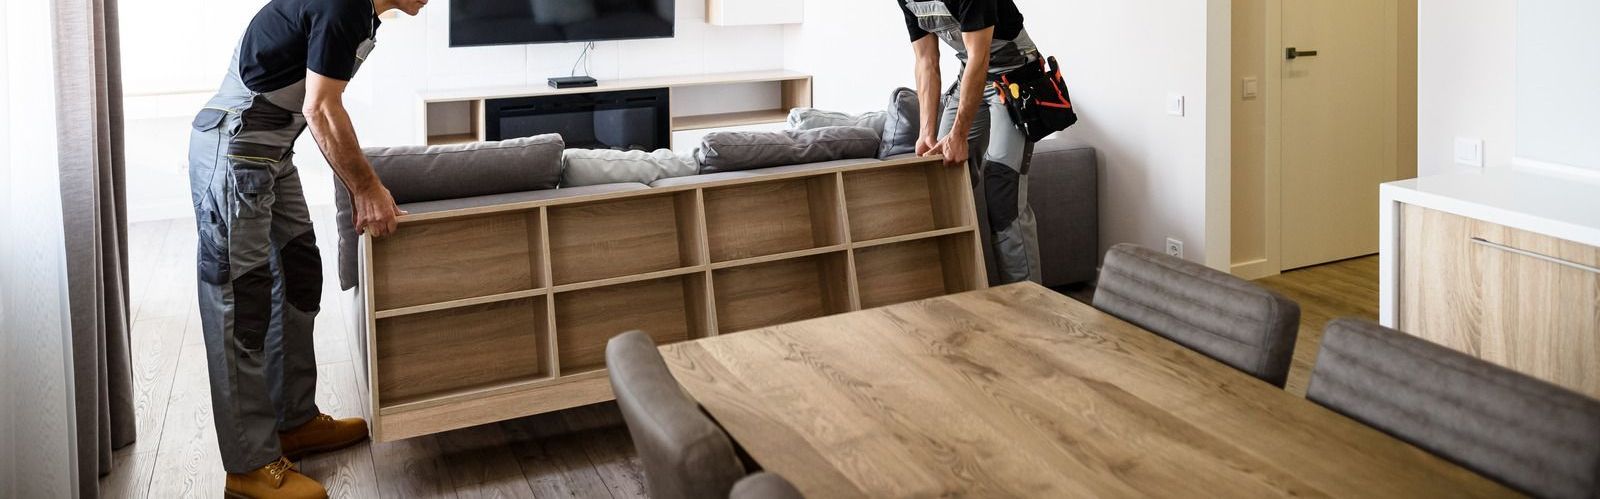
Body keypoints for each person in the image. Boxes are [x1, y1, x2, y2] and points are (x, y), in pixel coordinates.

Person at [186, 0, 424, 496]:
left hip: (272, 153)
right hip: (235, 151)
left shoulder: (360, 14)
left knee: (299, 276)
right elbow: (320, 107)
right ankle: (249, 464)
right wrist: (366, 188)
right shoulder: (342, 6)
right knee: (241, 301)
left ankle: (293, 419)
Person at [900, 0, 1042, 284]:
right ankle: (961, 291)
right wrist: (926, 133)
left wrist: (959, 135)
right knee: (942, 173)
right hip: (971, 75)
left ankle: (1028, 304)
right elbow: (926, 61)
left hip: (1014, 79)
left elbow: (980, 56)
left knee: (1004, 193)